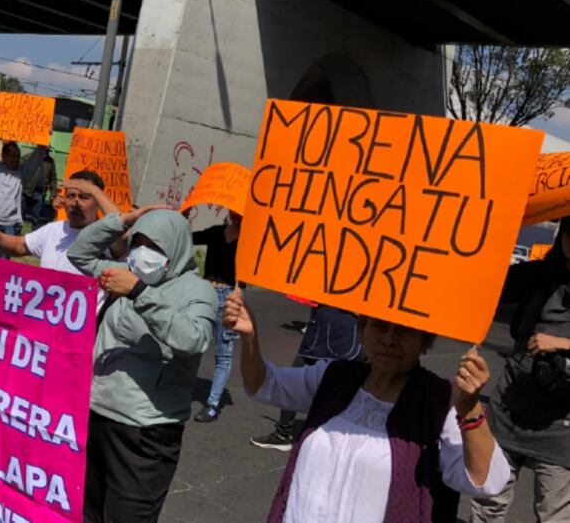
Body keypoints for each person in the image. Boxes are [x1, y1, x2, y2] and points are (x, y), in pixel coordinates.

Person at [225, 289, 511, 521]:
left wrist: (470, 408)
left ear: (425, 340)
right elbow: (263, 384)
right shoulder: (334, 377)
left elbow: (488, 481)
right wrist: (250, 338)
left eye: (404, 330)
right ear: (362, 330)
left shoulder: (439, 400)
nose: (389, 338)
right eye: (380, 326)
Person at [67, 207, 216, 523]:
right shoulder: (123, 272)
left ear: (175, 248)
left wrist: (139, 293)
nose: (142, 253)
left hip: (144, 432)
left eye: (154, 246)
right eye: (138, 243)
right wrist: (122, 220)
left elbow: (195, 339)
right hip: (97, 417)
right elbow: (80, 254)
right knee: (88, 513)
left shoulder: (196, 291)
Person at [472, 217, 570, 522]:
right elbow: (490, 281)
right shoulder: (542, 274)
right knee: (489, 500)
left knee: (554, 513)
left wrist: (561, 343)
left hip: (561, 421)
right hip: (511, 402)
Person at [249, 303, 363, 450]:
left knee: (337, 390)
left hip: (343, 339)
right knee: (294, 376)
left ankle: (334, 440)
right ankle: (283, 434)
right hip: (317, 334)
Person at [0, 171, 109, 276]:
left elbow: (124, 229)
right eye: (70, 196)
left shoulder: (109, 239)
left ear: (98, 202)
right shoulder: (53, 230)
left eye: (84, 197)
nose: (75, 203)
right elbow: (19, 246)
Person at [190, 209, 243, 423]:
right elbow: (188, 238)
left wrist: (240, 290)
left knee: (223, 353)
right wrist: (183, 214)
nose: (236, 213)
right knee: (192, 342)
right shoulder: (216, 231)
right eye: (233, 210)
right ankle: (180, 389)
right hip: (205, 292)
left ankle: (213, 404)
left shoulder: (250, 240)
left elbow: (251, 268)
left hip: (229, 295)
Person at [0, 134, 47, 258]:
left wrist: (44, 135)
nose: (16, 159)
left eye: (18, 156)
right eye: (13, 156)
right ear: (3, 156)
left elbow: (38, 156)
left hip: (9, 225)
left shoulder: (22, 173)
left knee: (3, 262)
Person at [23, 154, 57, 227]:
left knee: (36, 218)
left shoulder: (50, 161)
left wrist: (53, 193)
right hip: (25, 191)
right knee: (20, 215)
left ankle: (34, 236)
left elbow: (53, 178)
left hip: (40, 192)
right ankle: (16, 234)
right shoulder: (28, 157)